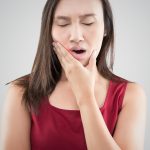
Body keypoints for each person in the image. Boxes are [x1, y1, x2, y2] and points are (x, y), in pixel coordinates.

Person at [0, 0, 147, 149]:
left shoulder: (130, 95)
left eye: (88, 23)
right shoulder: (21, 92)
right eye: (63, 24)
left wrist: (85, 96)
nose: (76, 37)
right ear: (49, 30)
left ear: (106, 28)